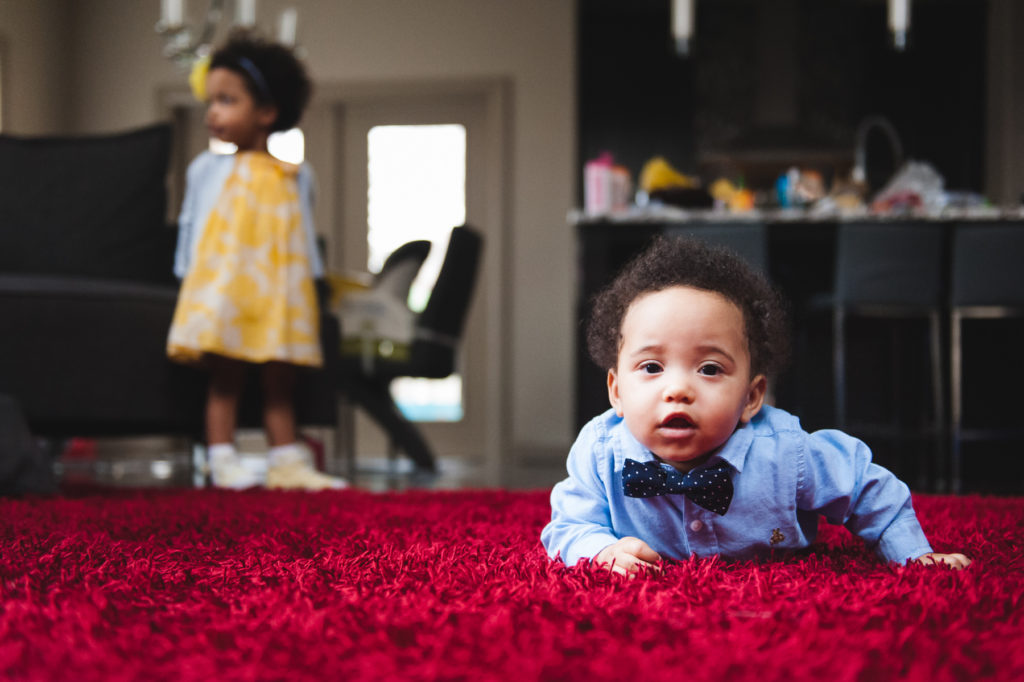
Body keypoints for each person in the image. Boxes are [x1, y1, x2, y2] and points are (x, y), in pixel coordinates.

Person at [541, 236, 969, 575]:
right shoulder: (600, 453)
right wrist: (601, 551)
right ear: (616, 391)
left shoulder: (785, 453)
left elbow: (864, 486)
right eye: (652, 366)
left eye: (709, 369)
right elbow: (567, 526)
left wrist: (913, 554)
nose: (677, 389)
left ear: (751, 397)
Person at [167, 33, 345, 491]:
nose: (213, 113)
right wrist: (188, 280)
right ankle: (221, 458)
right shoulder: (206, 170)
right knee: (226, 379)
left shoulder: (296, 175)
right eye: (211, 101)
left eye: (227, 101)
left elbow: (303, 235)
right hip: (225, 291)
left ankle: (287, 460)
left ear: (266, 112)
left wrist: (314, 283)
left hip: (279, 295)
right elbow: (191, 225)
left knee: (279, 380)